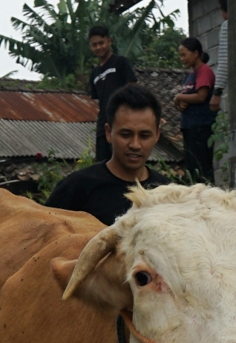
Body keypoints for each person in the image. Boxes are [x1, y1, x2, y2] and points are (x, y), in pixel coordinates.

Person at [48, 84, 171, 226]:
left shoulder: (168, 194)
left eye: (144, 135)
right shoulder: (77, 187)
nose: (135, 145)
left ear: (157, 135)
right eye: (125, 135)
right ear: (108, 133)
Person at [86, 25, 137, 164]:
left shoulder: (120, 62)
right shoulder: (94, 73)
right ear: (90, 47)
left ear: (109, 41)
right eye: (94, 45)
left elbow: (133, 89)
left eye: (101, 43)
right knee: (103, 165)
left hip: (122, 121)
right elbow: (97, 100)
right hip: (104, 125)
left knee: (122, 161)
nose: (98, 47)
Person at [174, 37, 217, 183]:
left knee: (202, 169)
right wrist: (181, 102)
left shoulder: (204, 71)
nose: (182, 59)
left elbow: (201, 97)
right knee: (192, 170)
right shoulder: (190, 75)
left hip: (200, 127)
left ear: (196, 53)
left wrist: (179, 96)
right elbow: (188, 98)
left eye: (184, 54)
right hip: (189, 127)